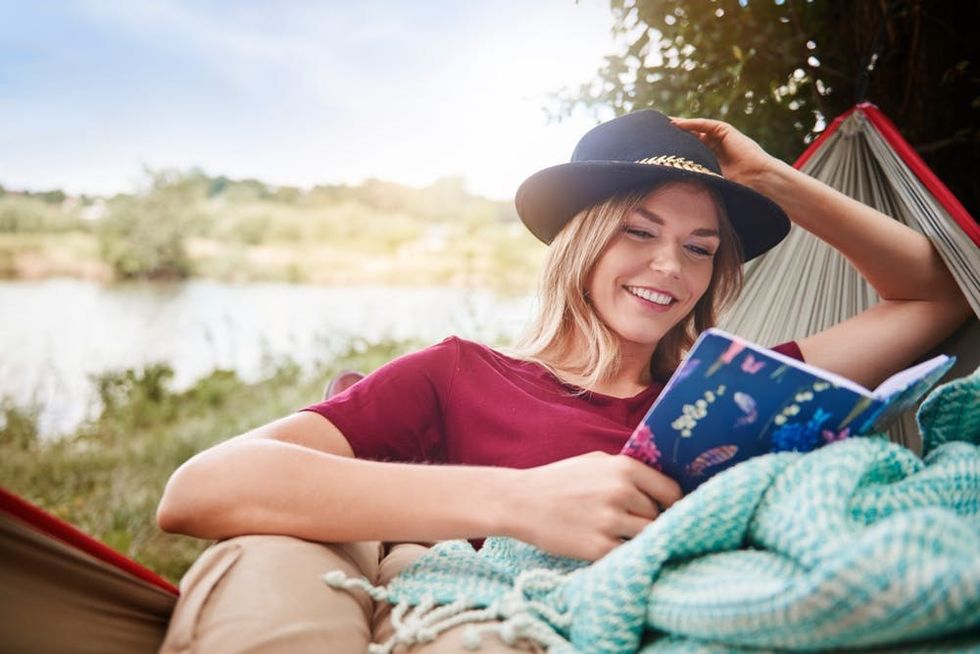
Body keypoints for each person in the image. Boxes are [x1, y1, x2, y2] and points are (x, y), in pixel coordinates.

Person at [155, 110, 971, 653]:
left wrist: (767, 179)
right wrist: (520, 502)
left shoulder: (733, 389)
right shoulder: (460, 376)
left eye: (700, 246)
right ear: (580, 243)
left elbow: (936, 295)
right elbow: (202, 488)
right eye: (638, 231)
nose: (668, 266)